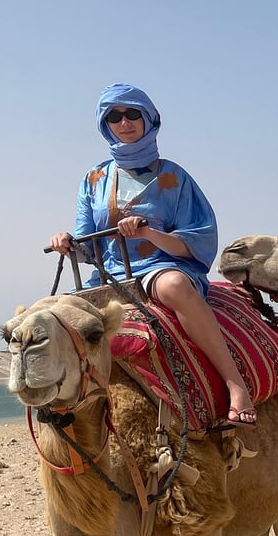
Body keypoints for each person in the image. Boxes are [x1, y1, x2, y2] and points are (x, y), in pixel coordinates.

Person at [49, 83, 256, 426]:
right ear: (105, 125)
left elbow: (199, 239)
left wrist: (149, 233)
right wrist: (67, 241)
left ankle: (236, 387)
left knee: (174, 286)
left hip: (161, 266)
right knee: (55, 315)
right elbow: (89, 246)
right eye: (114, 116)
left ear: (149, 119)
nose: (124, 122)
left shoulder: (175, 177)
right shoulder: (94, 179)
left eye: (132, 114)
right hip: (110, 273)